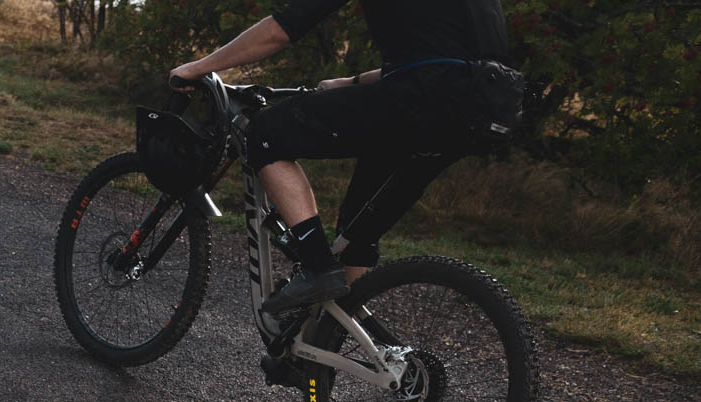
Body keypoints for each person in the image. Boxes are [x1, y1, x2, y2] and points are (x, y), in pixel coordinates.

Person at [168, 0, 511, 316]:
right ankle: (326, 340)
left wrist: (199, 67)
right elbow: (447, 59)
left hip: (417, 101)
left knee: (265, 134)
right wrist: (352, 81)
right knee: (356, 236)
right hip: (475, 117)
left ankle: (317, 265)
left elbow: (281, 29)